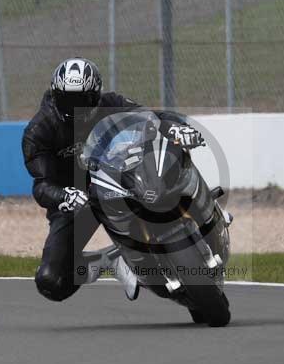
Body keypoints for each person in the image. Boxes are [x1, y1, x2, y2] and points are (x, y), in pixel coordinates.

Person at [22, 57, 204, 302]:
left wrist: (176, 128)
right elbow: (41, 185)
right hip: (79, 201)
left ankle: (203, 213)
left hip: (121, 180)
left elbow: (150, 117)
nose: (75, 108)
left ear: (96, 95)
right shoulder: (39, 131)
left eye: (82, 100)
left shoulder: (111, 103)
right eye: (67, 100)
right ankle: (110, 261)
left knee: (167, 173)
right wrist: (64, 195)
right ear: (55, 96)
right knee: (52, 282)